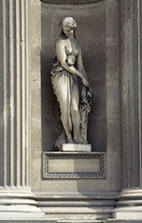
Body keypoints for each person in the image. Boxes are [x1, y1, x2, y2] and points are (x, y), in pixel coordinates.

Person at [51, 16, 92, 149]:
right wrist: (81, 77)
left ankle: (77, 138)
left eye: (69, 30)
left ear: (73, 29)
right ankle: (68, 138)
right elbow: (64, 64)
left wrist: (86, 82)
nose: (66, 32)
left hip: (73, 76)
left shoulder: (76, 44)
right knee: (65, 108)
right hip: (61, 76)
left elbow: (81, 67)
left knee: (74, 108)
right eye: (64, 30)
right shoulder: (60, 42)